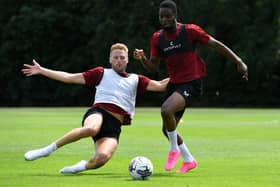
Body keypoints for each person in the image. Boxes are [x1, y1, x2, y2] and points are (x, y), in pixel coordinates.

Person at [134, 0, 248, 173]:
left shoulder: (189, 31)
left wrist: (238, 61)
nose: (164, 20)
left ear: (175, 16)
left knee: (166, 110)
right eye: (161, 17)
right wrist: (142, 58)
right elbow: (154, 67)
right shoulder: (158, 38)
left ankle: (174, 150)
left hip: (192, 82)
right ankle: (189, 160)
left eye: (167, 16)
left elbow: (215, 44)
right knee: (167, 129)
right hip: (174, 83)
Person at [22, 43, 169, 174]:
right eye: (116, 57)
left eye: (122, 57)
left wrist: (187, 74)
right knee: (91, 129)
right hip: (99, 113)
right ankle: (47, 150)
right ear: (110, 60)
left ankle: (80, 166)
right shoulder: (100, 73)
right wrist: (42, 70)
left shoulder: (136, 79)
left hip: (114, 126)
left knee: (101, 159)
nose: (119, 60)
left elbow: (161, 85)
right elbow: (69, 77)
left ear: (127, 60)